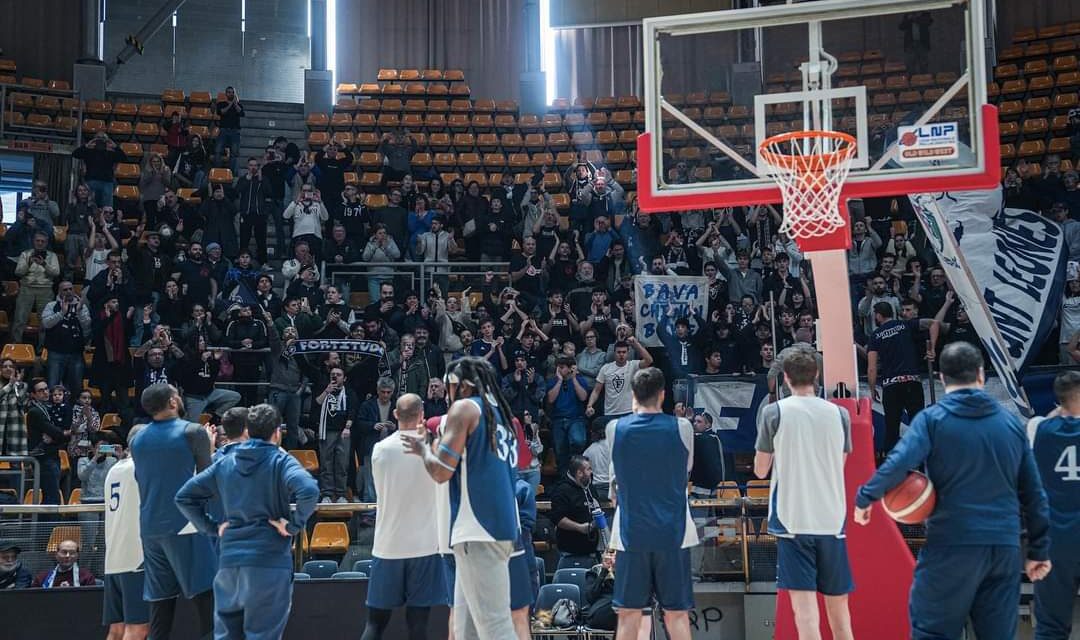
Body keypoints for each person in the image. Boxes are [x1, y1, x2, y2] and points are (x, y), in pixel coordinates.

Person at [854, 343, 1052, 640]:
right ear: (982, 376)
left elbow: (898, 463)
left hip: (952, 545)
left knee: (932, 633)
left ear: (943, 379)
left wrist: (865, 497)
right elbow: (1034, 493)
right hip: (1003, 548)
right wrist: (1039, 550)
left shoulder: (933, 420)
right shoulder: (1010, 424)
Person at [176, 404, 319, 640]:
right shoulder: (280, 460)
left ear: (248, 431)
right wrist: (293, 525)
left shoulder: (223, 462)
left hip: (229, 563)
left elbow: (184, 497)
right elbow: (309, 490)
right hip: (268, 560)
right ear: (277, 432)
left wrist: (210, 527)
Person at [402, 357, 520, 640]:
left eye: (450, 385)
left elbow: (441, 472)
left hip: (477, 526)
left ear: (465, 386)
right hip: (499, 526)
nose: (446, 391)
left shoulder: (465, 408)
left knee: (496, 626)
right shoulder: (500, 414)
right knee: (466, 629)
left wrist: (424, 449)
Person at [754, 351, 854, 640]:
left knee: (806, 615)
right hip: (832, 520)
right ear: (817, 376)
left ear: (785, 378)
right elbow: (840, 465)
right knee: (840, 616)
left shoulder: (774, 412)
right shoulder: (840, 413)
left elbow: (760, 471)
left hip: (793, 519)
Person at [607, 367, 697, 640]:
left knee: (629, 614)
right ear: (663, 395)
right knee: (677, 614)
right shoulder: (683, 427)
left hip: (631, 532)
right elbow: (687, 469)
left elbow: (615, 483)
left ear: (633, 394)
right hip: (674, 531)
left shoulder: (615, 428)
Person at [129, 384, 216, 640]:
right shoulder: (193, 431)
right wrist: (209, 450)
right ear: (172, 402)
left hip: (150, 529)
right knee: (208, 602)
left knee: (160, 609)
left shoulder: (137, 439)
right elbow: (208, 481)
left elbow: (142, 479)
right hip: (185, 525)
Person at [361, 393, 446, 640]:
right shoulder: (434, 453)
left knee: (374, 625)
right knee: (418, 627)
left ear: (395, 414)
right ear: (422, 415)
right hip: (425, 547)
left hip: (388, 546)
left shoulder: (379, 450)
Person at [1026, 371, 1080, 640]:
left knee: (1050, 628)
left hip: (1055, 543)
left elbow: (1047, 418)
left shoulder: (1038, 428)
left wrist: (1063, 407)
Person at [867, 301, 935, 454]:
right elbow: (934, 323)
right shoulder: (906, 325)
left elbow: (871, 367)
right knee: (918, 424)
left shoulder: (875, 336)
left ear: (878, 315)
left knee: (892, 429)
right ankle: (925, 465)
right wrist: (932, 349)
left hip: (892, 385)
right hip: (912, 381)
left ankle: (890, 468)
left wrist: (872, 389)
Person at [102, 444, 149, 640]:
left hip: (114, 558)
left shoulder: (114, 469)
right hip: (136, 558)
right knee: (138, 629)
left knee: (117, 630)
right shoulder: (141, 467)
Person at [586, 338, 653, 432]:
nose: (621, 354)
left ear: (628, 353)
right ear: (614, 353)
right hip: (610, 413)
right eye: (619, 352)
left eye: (624, 352)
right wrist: (589, 405)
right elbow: (596, 390)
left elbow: (649, 360)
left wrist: (636, 344)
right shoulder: (606, 368)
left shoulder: (633, 365)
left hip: (629, 412)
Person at [315, 366, 358, 503]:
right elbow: (317, 403)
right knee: (326, 463)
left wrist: (347, 427)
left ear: (344, 378)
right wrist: (326, 392)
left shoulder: (349, 392)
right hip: (326, 431)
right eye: (333, 374)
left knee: (342, 463)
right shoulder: (324, 389)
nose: (335, 376)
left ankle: (341, 494)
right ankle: (326, 494)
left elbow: (352, 411)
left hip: (343, 432)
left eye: (338, 374)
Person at [549, 455, 603, 562]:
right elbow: (558, 519)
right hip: (570, 553)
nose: (591, 472)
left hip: (592, 551)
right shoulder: (561, 491)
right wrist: (579, 527)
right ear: (579, 473)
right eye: (588, 469)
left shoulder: (590, 487)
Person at [13, 231, 61, 343]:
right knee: (19, 319)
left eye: (42, 241)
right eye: (37, 241)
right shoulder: (25, 254)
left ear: (46, 243)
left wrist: (44, 264)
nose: (40, 243)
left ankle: (43, 348)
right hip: (26, 288)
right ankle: (16, 345)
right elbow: (18, 272)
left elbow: (56, 273)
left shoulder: (52, 256)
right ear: (33, 241)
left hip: (45, 289)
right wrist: (29, 262)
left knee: (44, 320)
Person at [27, 379, 64, 504]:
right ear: (33, 394)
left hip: (52, 455)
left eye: (46, 389)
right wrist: (61, 434)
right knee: (52, 498)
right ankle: (46, 524)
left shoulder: (49, 408)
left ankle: (48, 523)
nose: (45, 392)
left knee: (52, 496)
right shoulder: (35, 411)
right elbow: (59, 433)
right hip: (44, 459)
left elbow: (61, 434)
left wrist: (59, 435)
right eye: (40, 390)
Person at [214, 86, 245, 175]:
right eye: (229, 92)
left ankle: (231, 174)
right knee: (218, 151)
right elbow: (222, 112)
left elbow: (241, 112)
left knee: (234, 153)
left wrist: (235, 103)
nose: (230, 94)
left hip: (235, 131)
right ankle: (217, 172)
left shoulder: (238, 105)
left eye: (232, 92)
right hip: (223, 130)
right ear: (226, 94)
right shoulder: (221, 104)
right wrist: (230, 104)